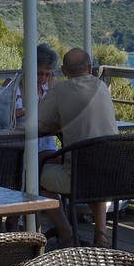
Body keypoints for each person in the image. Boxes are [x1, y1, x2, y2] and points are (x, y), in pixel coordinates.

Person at [37, 47, 119, 245]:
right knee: (92, 170)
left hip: (78, 177)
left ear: (64, 71)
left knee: (36, 175)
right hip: (113, 176)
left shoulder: (60, 89)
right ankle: (101, 234)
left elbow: (38, 122)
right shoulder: (101, 87)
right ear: (90, 68)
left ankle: (66, 233)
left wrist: (60, 124)